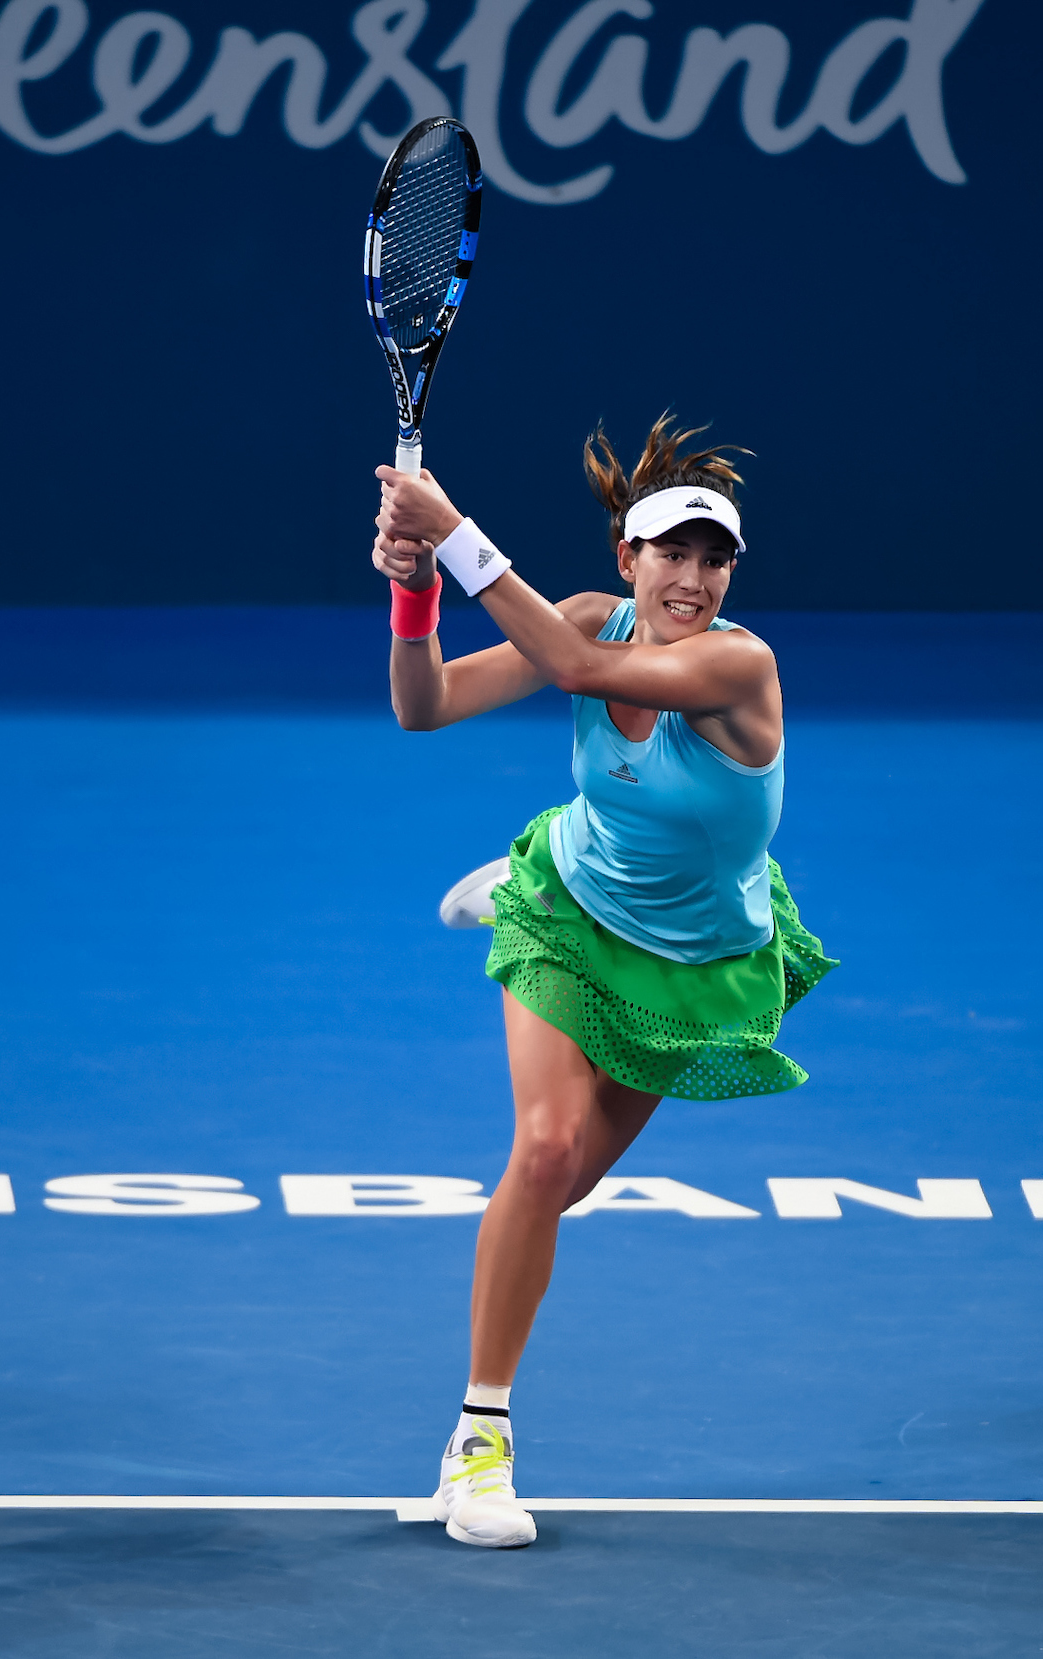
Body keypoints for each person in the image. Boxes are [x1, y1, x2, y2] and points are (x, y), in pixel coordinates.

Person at [370, 415, 838, 1549]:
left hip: (692, 958)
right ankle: (479, 1445)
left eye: (713, 556)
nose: (693, 576)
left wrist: (458, 533)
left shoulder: (739, 665)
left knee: (561, 1186)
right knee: (537, 1154)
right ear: (627, 560)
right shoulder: (581, 613)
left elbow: (580, 672)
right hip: (571, 907)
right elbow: (423, 705)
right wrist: (419, 587)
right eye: (669, 552)